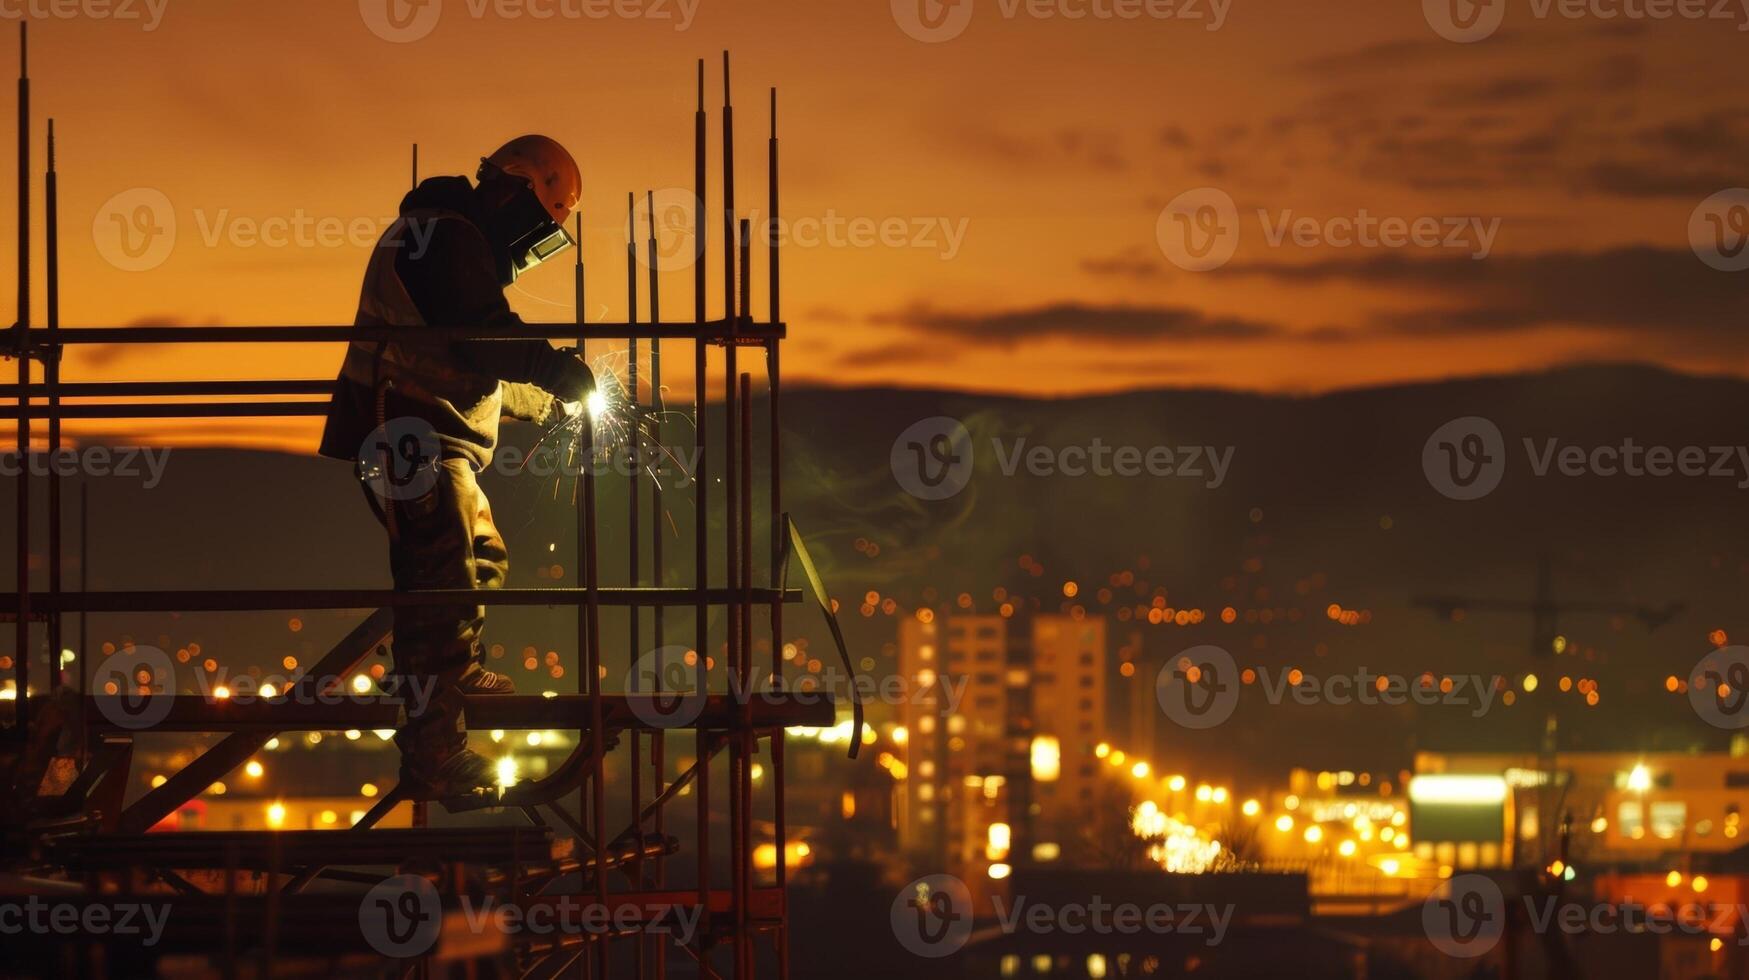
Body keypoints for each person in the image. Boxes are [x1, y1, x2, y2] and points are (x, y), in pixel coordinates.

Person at [318, 135, 596, 800]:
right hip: (403, 432)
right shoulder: (441, 236)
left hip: (438, 440)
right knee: (440, 572)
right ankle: (433, 748)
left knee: (481, 558)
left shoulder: (455, 242)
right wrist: (557, 367)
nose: (529, 248)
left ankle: (451, 669)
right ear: (516, 189)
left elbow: (474, 361)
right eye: (539, 226)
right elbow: (483, 337)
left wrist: (546, 401)